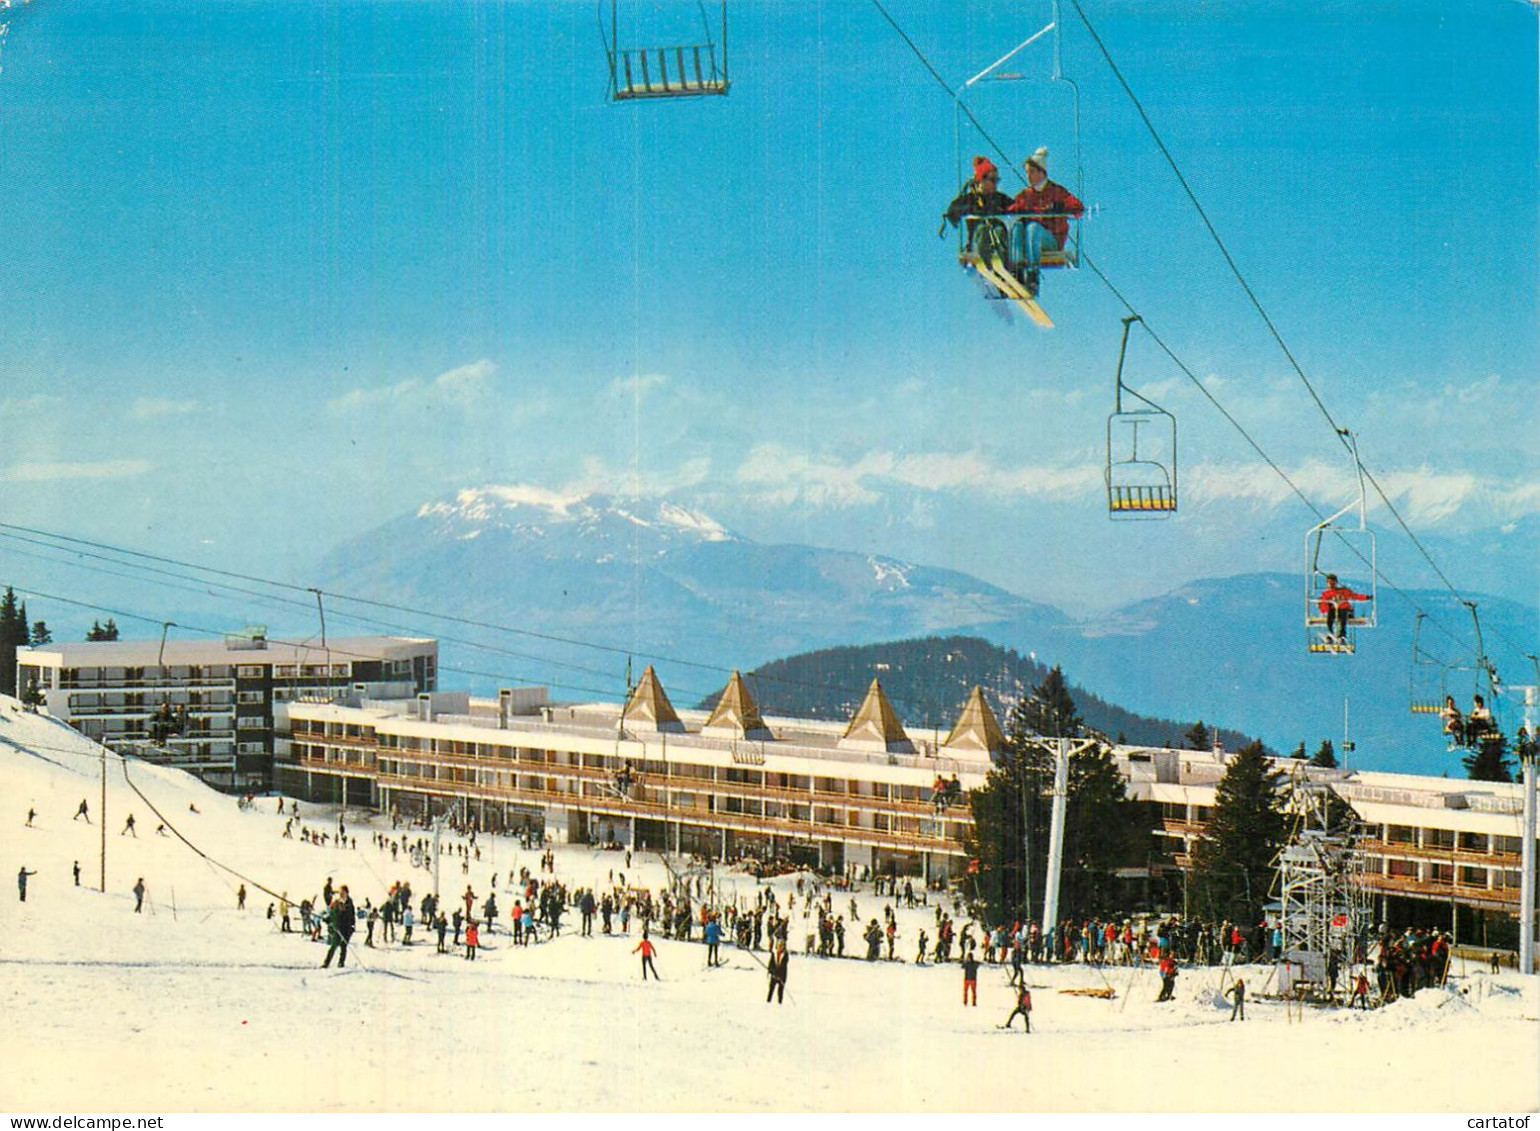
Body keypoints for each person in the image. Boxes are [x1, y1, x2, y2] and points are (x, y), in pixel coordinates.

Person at [1006, 147, 1084, 295]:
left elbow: (1078, 207)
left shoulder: (1056, 191)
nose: (1028, 176)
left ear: (1041, 172)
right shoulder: (1025, 195)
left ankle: (1032, 276)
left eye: (1032, 172)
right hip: (1031, 242)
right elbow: (1011, 210)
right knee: (1017, 227)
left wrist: (1060, 206)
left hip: (1050, 240)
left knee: (1033, 228)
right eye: (1027, 172)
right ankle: (1016, 270)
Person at [942, 155, 1014, 265]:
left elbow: (1015, 208)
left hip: (996, 238)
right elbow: (953, 209)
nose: (995, 184)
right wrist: (968, 211)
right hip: (977, 240)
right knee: (982, 229)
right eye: (992, 180)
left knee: (1000, 230)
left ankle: (1004, 266)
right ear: (981, 180)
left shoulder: (1000, 199)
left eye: (997, 180)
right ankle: (985, 263)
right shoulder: (970, 199)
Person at [1317, 573, 1371, 643]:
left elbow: (1355, 596)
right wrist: (1325, 609)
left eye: (1332, 582)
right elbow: (1323, 604)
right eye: (1329, 583)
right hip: (1335, 612)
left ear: (1336, 582)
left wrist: (1366, 597)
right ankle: (1330, 633)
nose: (1330, 584)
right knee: (1330, 616)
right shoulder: (1326, 593)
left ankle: (1342, 635)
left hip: (1346, 611)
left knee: (1343, 614)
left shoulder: (1343, 591)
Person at [321, 886, 356, 969]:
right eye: (340, 892)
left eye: (342, 892)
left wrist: (352, 927)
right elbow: (333, 915)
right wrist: (327, 919)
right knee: (333, 945)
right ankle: (326, 963)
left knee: (343, 946)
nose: (341, 894)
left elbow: (351, 916)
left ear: (346, 893)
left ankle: (341, 963)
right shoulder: (336, 902)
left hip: (346, 929)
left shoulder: (349, 903)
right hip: (337, 928)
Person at [766, 939, 789, 1004]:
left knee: (780, 991)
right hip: (774, 974)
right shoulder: (774, 954)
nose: (780, 947)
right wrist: (770, 970)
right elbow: (771, 963)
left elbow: (783, 966)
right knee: (771, 989)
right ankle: (768, 1002)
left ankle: (780, 1003)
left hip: (782, 975)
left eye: (781, 945)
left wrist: (778, 974)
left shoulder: (785, 955)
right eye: (779, 945)